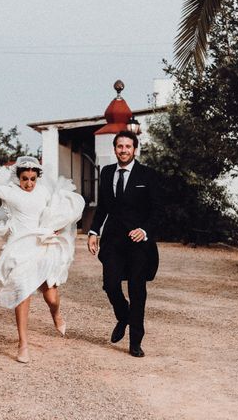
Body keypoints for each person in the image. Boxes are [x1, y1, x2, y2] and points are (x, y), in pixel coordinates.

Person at [0, 145, 85, 363]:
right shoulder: (11, 193)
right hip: (20, 250)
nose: (29, 183)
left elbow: (57, 213)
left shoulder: (44, 192)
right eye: (25, 178)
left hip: (43, 249)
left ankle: (56, 314)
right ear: (18, 177)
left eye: (32, 179)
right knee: (22, 291)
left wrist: (56, 227)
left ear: (38, 178)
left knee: (51, 296)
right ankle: (23, 343)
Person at [87, 131, 160, 358]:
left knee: (137, 290)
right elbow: (103, 209)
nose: (124, 150)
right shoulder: (107, 173)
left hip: (138, 243)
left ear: (135, 149)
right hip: (113, 241)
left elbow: (158, 211)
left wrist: (145, 230)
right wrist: (93, 231)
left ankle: (135, 341)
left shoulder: (147, 175)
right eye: (120, 146)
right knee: (110, 284)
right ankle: (123, 316)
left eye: (128, 146)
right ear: (115, 148)